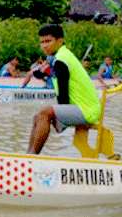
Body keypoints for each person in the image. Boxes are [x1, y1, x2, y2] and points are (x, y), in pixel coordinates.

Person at [27, 25, 101, 154]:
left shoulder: (61, 60)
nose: (44, 45)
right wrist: (37, 72)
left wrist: (58, 116)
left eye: (48, 41)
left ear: (60, 41)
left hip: (87, 110)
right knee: (37, 117)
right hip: (84, 108)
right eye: (42, 42)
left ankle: (32, 157)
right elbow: (42, 73)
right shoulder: (59, 56)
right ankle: (28, 155)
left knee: (44, 113)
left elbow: (63, 94)